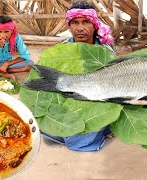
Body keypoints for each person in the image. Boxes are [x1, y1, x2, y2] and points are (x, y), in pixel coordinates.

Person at [41, 1, 115, 152]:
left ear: (94, 25)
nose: (80, 28)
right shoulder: (61, 49)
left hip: (95, 99)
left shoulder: (105, 51)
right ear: (69, 25)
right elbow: (51, 79)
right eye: (75, 22)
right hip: (67, 97)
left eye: (86, 22)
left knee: (86, 126)